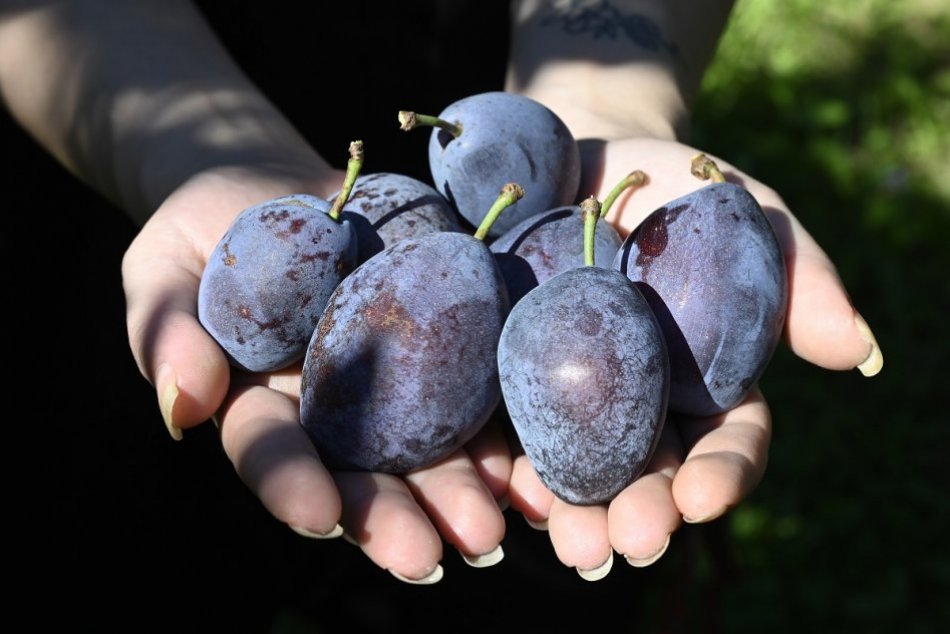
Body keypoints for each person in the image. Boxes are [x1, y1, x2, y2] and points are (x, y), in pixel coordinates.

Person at [0, 0, 882, 586]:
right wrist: (187, 145)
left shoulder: (505, 250)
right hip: (129, 108)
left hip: (501, 136)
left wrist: (605, 90)